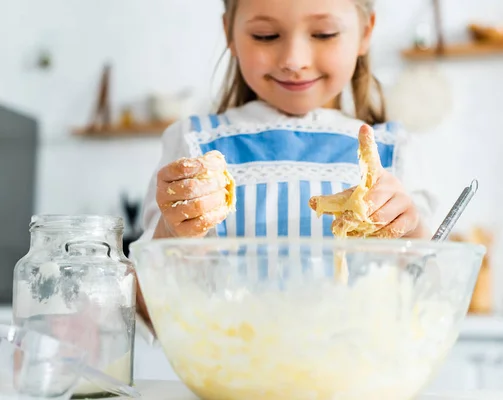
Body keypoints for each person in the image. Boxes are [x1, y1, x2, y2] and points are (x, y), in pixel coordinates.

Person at [135, 0, 437, 325]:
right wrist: (173, 233)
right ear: (230, 33)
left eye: (324, 34)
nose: (294, 60)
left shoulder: (395, 151)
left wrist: (410, 229)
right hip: (231, 371)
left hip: (356, 369)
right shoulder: (193, 144)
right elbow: (149, 311)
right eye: (265, 35)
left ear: (365, 32)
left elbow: (430, 299)